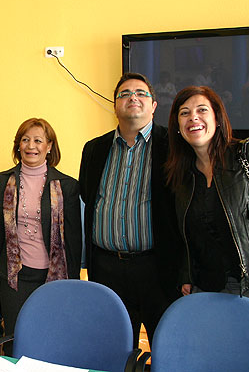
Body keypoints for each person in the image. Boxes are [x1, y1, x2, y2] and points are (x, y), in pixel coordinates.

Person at [79, 72, 181, 348]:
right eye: (124, 94)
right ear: (115, 106)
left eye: (140, 93)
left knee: (166, 348)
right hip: (106, 269)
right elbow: (89, 196)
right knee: (112, 348)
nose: (132, 97)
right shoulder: (94, 149)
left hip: (157, 269)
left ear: (153, 105)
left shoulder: (173, 146)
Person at [165, 85, 249, 311]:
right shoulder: (181, 177)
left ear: (218, 118)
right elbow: (186, 238)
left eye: (202, 110)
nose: (193, 117)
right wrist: (186, 275)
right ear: (178, 127)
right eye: (184, 113)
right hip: (209, 291)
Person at [0, 118, 81, 351]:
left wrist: (73, 279)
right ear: (18, 145)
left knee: (50, 337)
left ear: (49, 146)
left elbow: (73, 239)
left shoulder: (66, 185)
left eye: (38, 140)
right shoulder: (2, 181)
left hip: (53, 276)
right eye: (25, 140)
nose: (31, 146)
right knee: (14, 338)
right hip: (14, 275)